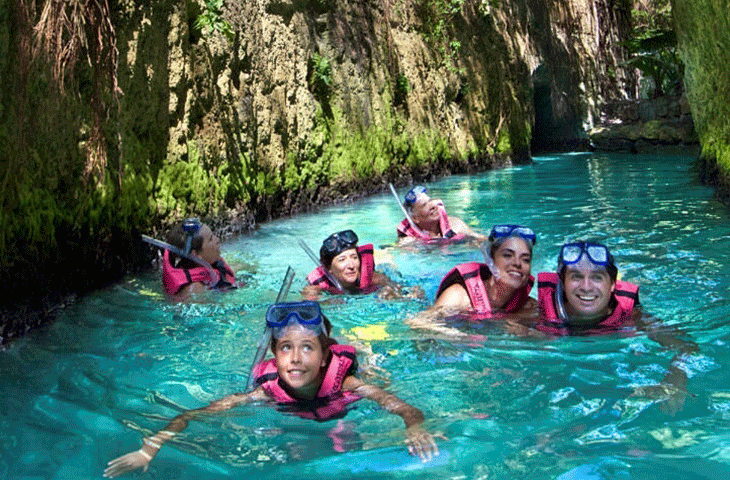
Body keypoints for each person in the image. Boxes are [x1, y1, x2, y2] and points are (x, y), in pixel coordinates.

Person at [104, 301, 440, 478]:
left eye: (307, 348)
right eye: (285, 349)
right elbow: (192, 415)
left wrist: (416, 426)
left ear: (324, 358)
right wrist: (150, 449)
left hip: (340, 415)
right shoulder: (265, 393)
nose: (295, 359)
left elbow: (401, 406)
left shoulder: (347, 384)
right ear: (274, 355)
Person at [534, 240, 699, 414]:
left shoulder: (631, 316)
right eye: (576, 276)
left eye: (597, 277)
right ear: (562, 281)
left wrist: (676, 378)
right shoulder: (538, 309)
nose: (586, 287)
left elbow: (686, 345)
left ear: (612, 284)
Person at [406, 225, 537, 338]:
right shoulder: (459, 297)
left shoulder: (529, 308)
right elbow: (417, 323)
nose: (517, 264)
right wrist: (463, 337)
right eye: (507, 255)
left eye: (525, 259)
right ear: (491, 259)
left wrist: (527, 333)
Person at [302, 230, 424, 300]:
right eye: (342, 260)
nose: (351, 265)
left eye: (354, 257)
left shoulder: (374, 278)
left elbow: (406, 291)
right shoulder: (317, 286)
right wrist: (329, 303)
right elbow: (306, 310)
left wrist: (400, 296)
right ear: (328, 268)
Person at [162, 218, 237, 299]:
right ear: (195, 255)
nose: (217, 240)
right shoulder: (195, 289)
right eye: (211, 239)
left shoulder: (211, 267)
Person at [396, 185, 487, 244]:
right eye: (424, 205)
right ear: (415, 219)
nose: (433, 206)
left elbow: (483, 240)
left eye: (430, 201)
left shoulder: (455, 225)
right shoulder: (410, 241)